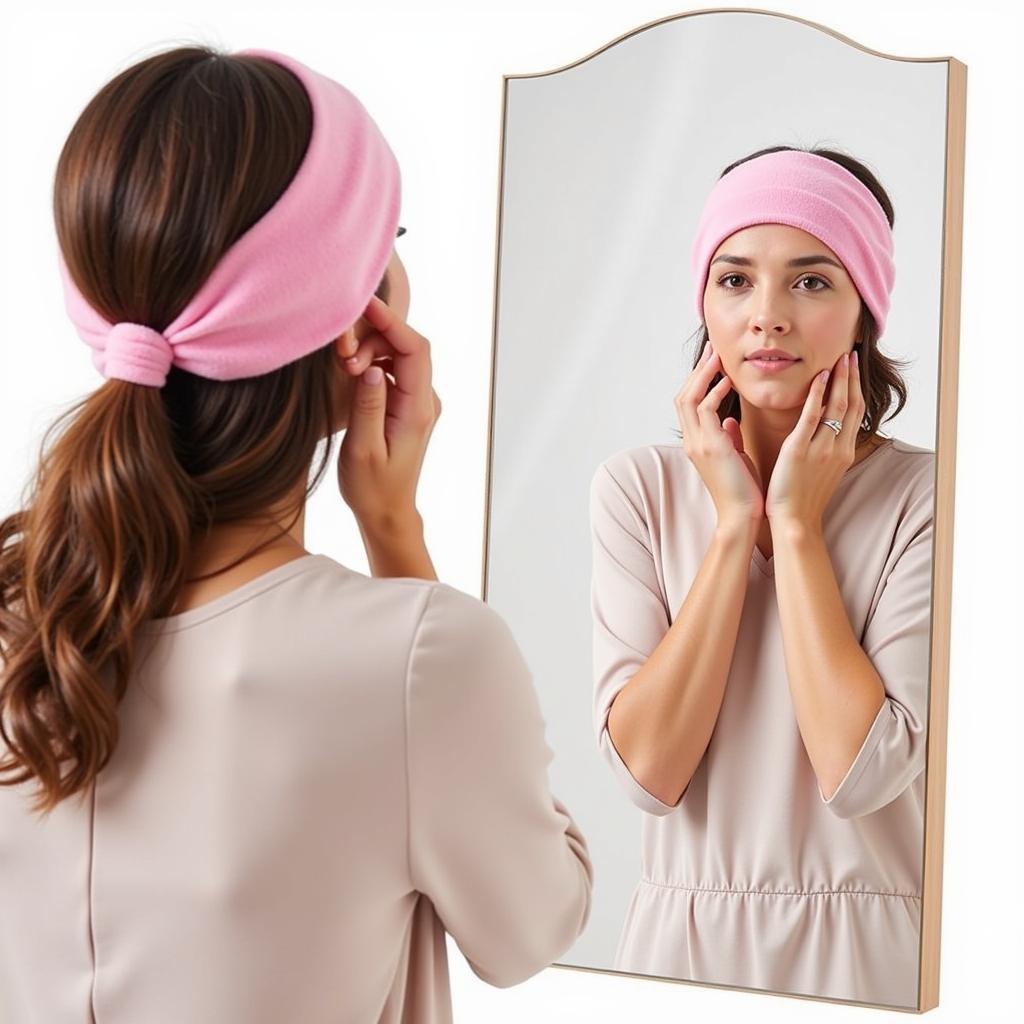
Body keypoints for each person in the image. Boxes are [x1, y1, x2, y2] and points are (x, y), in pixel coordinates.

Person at [0, 45, 592, 1024]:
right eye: (386, 239)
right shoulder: (417, 656)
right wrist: (396, 534)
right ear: (357, 330)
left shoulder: (24, 614)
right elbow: (532, 926)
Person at [589, 146, 933, 1007]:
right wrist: (735, 523)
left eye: (812, 282)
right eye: (735, 280)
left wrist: (796, 525)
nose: (767, 317)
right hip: (676, 948)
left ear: (865, 313)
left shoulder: (929, 496)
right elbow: (647, 776)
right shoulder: (639, 487)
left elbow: (862, 776)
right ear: (705, 302)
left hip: (867, 955)